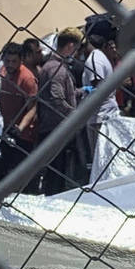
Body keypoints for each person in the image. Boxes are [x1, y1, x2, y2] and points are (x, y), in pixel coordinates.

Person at [0, 41, 41, 192]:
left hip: (24, 134)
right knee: (7, 160)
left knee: (22, 169)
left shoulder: (27, 79)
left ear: (21, 60)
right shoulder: (4, 72)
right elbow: (2, 94)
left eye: (14, 61)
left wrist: (20, 128)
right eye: (7, 61)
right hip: (7, 127)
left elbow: (33, 109)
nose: (10, 64)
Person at [35, 29, 89, 192]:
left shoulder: (53, 66)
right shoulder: (56, 69)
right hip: (56, 128)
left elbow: (63, 93)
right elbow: (56, 99)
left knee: (58, 173)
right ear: (70, 46)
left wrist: (80, 91)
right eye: (77, 49)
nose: (77, 53)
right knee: (57, 175)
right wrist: (75, 115)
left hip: (55, 127)